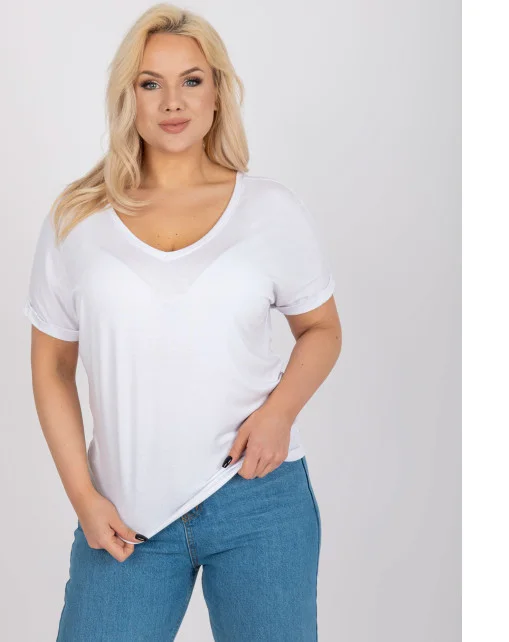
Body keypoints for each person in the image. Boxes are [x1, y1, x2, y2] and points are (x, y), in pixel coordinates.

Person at [23, 4, 342, 640]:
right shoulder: (78, 218)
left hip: (257, 499)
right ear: (129, 97)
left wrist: (279, 414)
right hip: (124, 513)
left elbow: (322, 329)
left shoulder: (270, 210)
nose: (173, 101)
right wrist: (83, 497)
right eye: (151, 83)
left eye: (191, 80)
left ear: (217, 92)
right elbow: (52, 365)